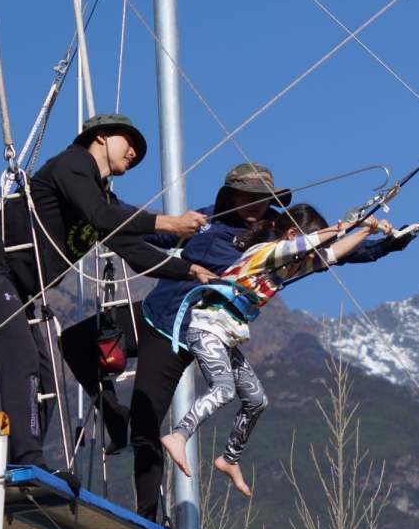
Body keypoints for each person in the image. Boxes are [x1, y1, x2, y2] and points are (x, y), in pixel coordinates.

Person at [0, 114, 210, 475]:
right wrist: (168, 222)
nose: (135, 152)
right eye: (129, 141)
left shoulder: (102, 198)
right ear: (101, 137)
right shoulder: (73, 164)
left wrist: (188, 269)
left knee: (45, 378)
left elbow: (135, 250)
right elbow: (103, 216)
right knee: (22, 361)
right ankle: (27, 462)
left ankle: (23, 461)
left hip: (20, 289)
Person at [160, 203, 398, 497]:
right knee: (223, 390)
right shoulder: (265, 253)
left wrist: (365, 230)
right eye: (307, 246)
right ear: (289, 236)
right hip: (206, 327)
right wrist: (343, 226)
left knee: (257, 400)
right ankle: (179, 435)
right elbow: (309, 243)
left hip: (226, 337)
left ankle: (229, 458)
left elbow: (332, 254)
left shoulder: (285, 268)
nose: (311, 257)